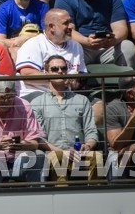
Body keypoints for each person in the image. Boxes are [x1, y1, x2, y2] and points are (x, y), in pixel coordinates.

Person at [29, 52, 102, 181]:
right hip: (53, 152)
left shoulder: (82, 100)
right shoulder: (36, 103)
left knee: (97, 157)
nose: (60, 72)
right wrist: (62, 152)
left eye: (63, 68)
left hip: (79, 152)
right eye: (55, 69)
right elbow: (38, 138)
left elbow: (91, 132)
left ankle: (94, 197)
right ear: (46, 73)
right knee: (58, 158)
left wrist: (88, 146)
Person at [0, 77, 48, 182]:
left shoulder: (24, 106)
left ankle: (38, 195)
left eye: (10, 97)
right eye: (2, 97)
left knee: (39, 154)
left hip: (19, 157)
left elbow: (35, 143)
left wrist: (22, 145)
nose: (6, 101)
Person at [15, 9, 88, 94]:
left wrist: (77, 81)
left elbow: (82, 74)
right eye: (65, 23)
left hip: (67, 95)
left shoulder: (76, 46)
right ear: (51, 27)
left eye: (70, 22)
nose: (71, 26)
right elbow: (27, 75)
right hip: (37, 93)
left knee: (98, 105)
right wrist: (60, 79)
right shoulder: (34, 44)